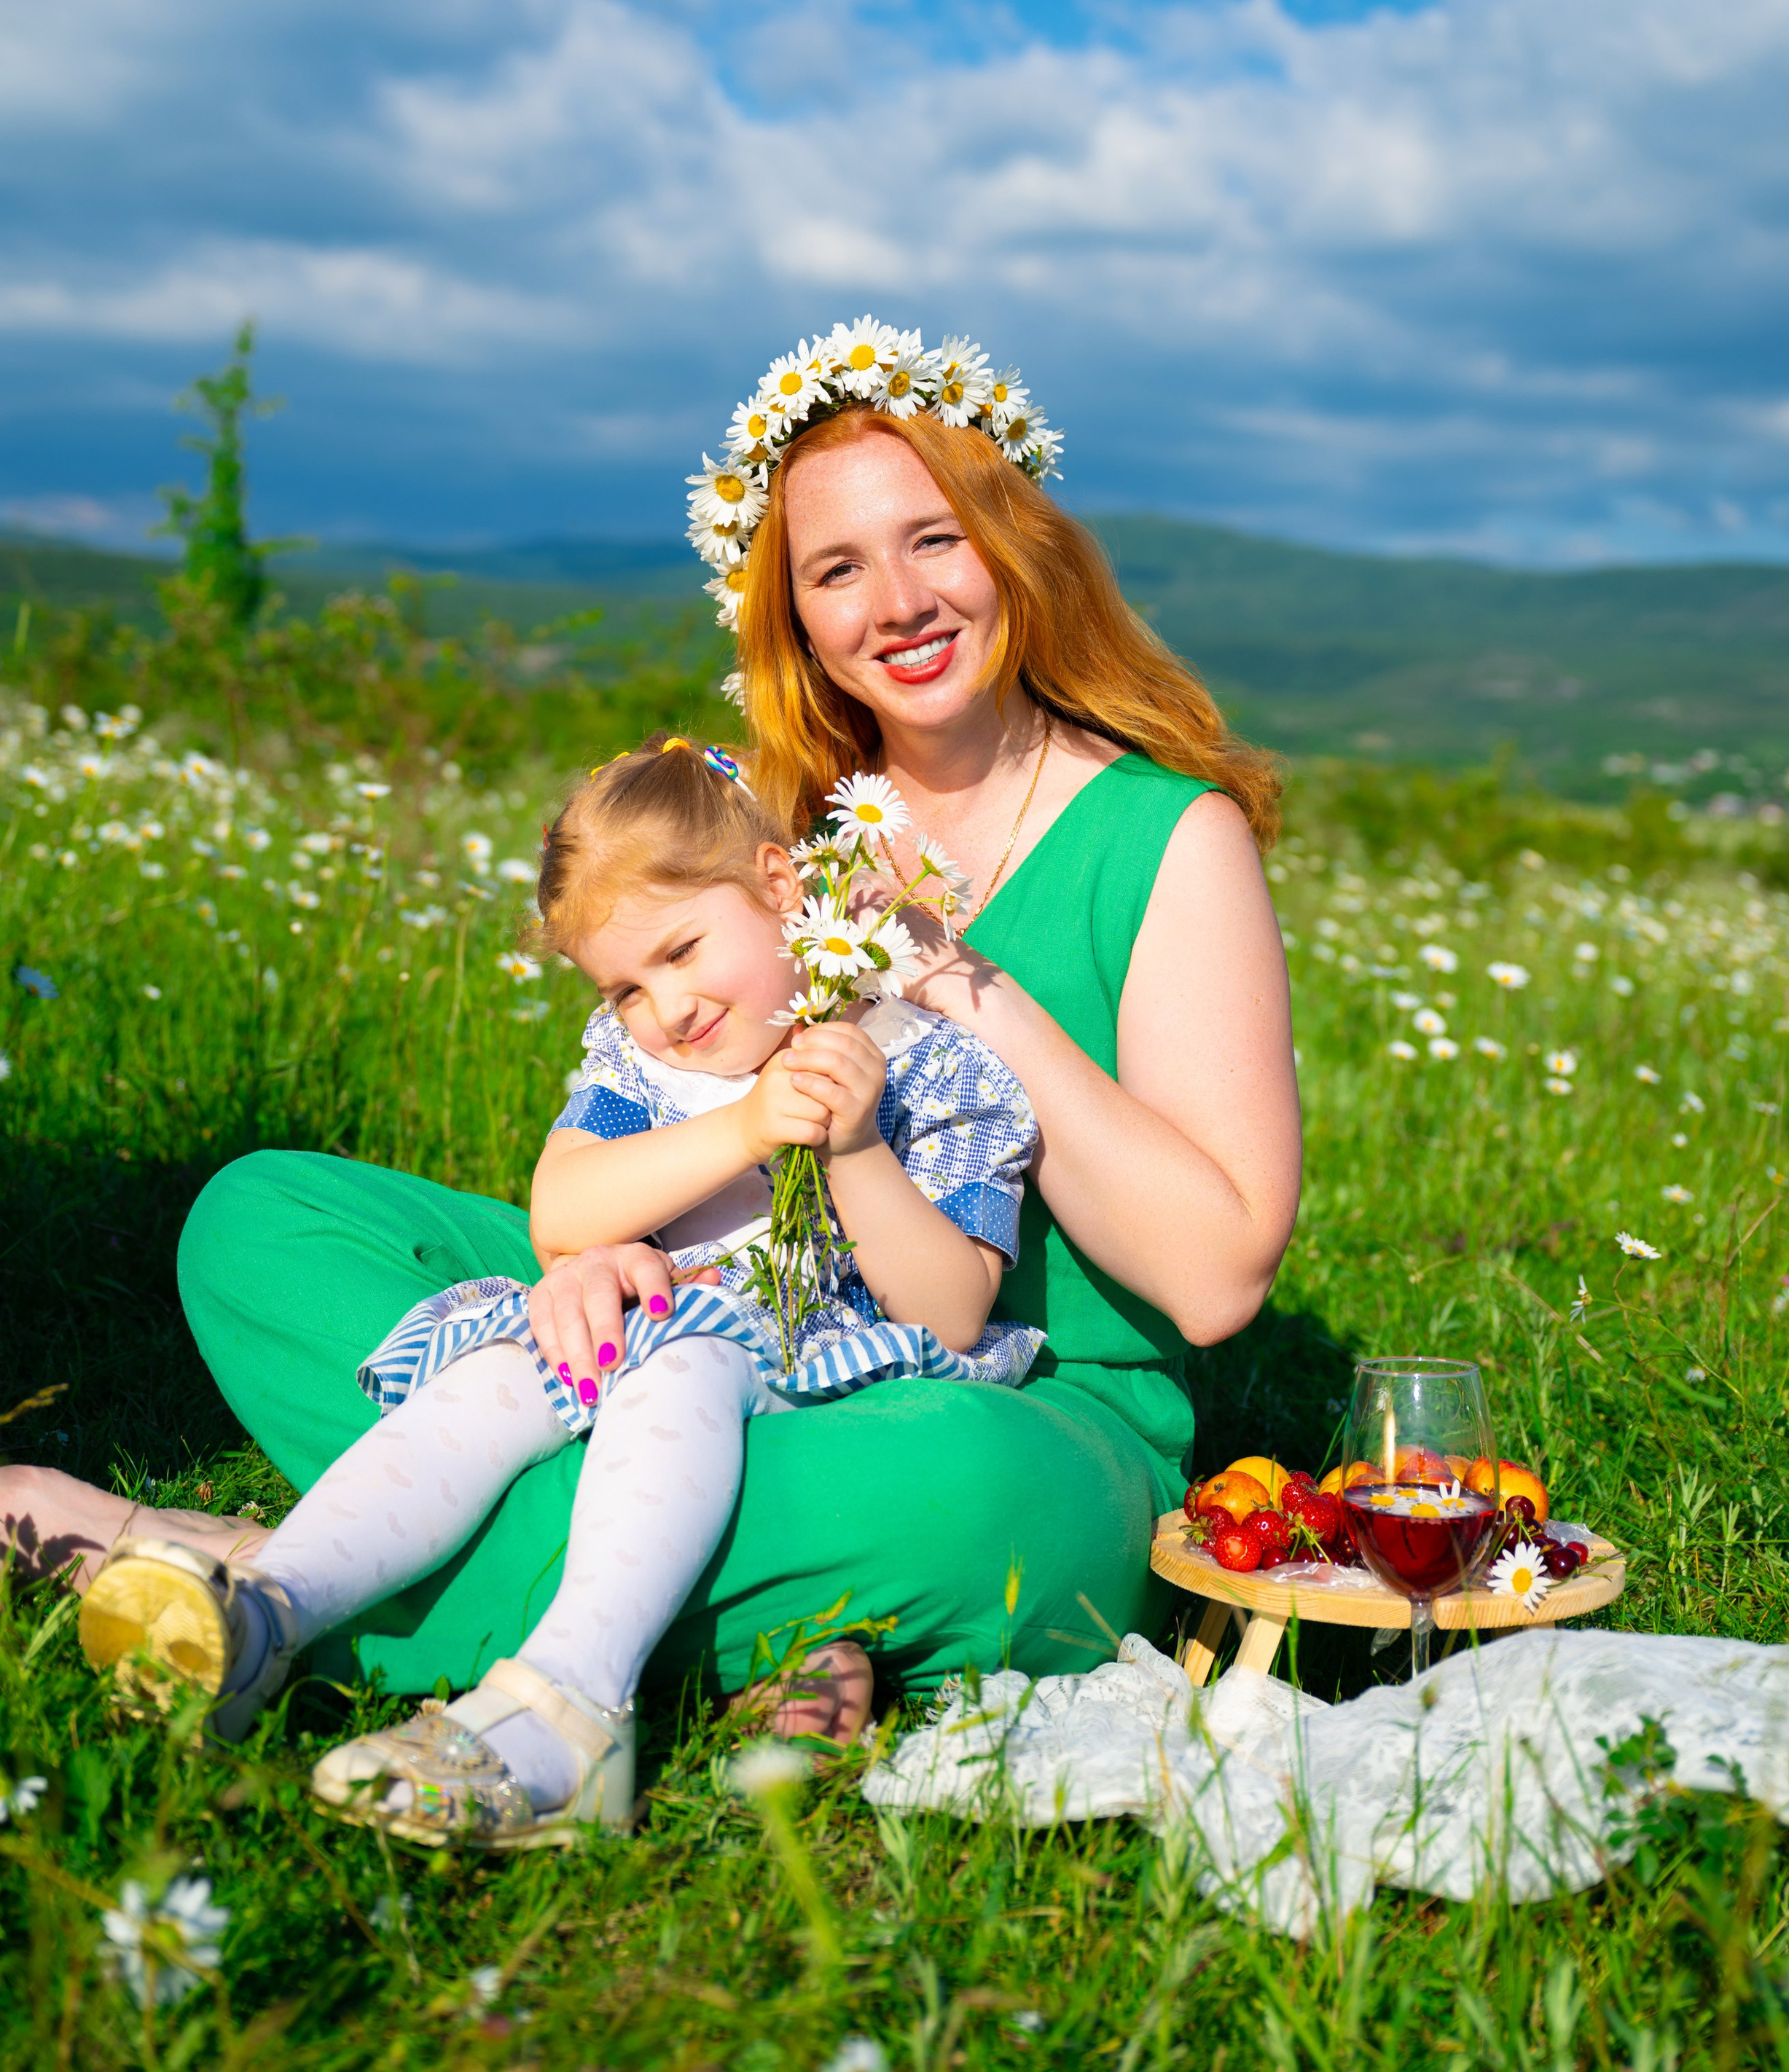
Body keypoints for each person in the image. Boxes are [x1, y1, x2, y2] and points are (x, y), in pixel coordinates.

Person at [5, 318, 1301, 1745]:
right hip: (699, 1314)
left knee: (972, 1508)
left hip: (998, 1399)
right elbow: (628, 1130)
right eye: (835, 569)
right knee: (259, 1220)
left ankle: (262, 1576)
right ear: (792, 614)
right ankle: (730, 1617)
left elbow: (1212, 1280)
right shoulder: (776, 827)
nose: (895, 603)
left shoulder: (1168, 837)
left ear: (1015, 540)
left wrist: (951, 980)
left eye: (935, 540)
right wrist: (607, 1266)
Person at [74, 736, 1042, 1845]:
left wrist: (857, 1145)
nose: (667, 1006)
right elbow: (563, 1214)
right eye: (625, 985)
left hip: (832, 1389)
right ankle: (267, 1610)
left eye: (683, 951)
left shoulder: (928, 1066)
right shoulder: (648, 1070)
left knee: (685, 1355)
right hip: (648, 1335)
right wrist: (736, 1131)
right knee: (496, 1377)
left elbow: (954, 1311)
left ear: (783, 889)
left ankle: (575, 1703)